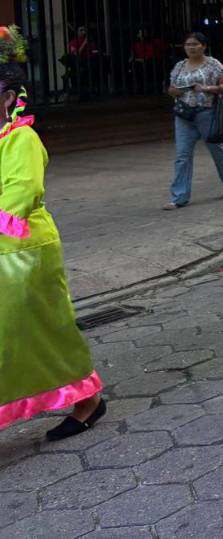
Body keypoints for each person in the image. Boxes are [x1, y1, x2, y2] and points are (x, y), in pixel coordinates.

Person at [0, 67, 106, 441]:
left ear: (9, 98)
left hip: (23, 253)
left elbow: (24, 189)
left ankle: (87, 397)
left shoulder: (21, 137)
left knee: (44, 330)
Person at [165, 33, 223, 209]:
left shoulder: (213, 64)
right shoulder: (179, 66)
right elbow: (171, 87)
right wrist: (175, 91)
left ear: (204, 46)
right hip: (184, 113)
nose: (191, 47)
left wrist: (206, 88)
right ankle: (179, 196)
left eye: (195, 44)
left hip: (207, 111)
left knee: (217, 149)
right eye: (187, 44)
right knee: (182, 155)